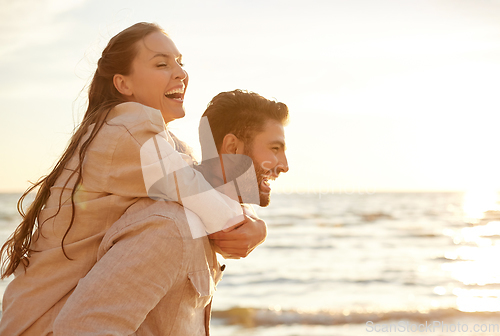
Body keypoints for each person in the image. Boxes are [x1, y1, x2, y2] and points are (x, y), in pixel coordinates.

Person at [0, 23, 275, 335]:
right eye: (161, 64)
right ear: (123, 84)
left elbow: (202, 188)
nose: (180, 73)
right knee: (174, 221)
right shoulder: (127, 130)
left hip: (51, 320)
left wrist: (253, 222)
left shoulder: (157, 141)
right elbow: (208, 203)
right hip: (49, 326)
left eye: (180, 62)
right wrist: (250, 226)